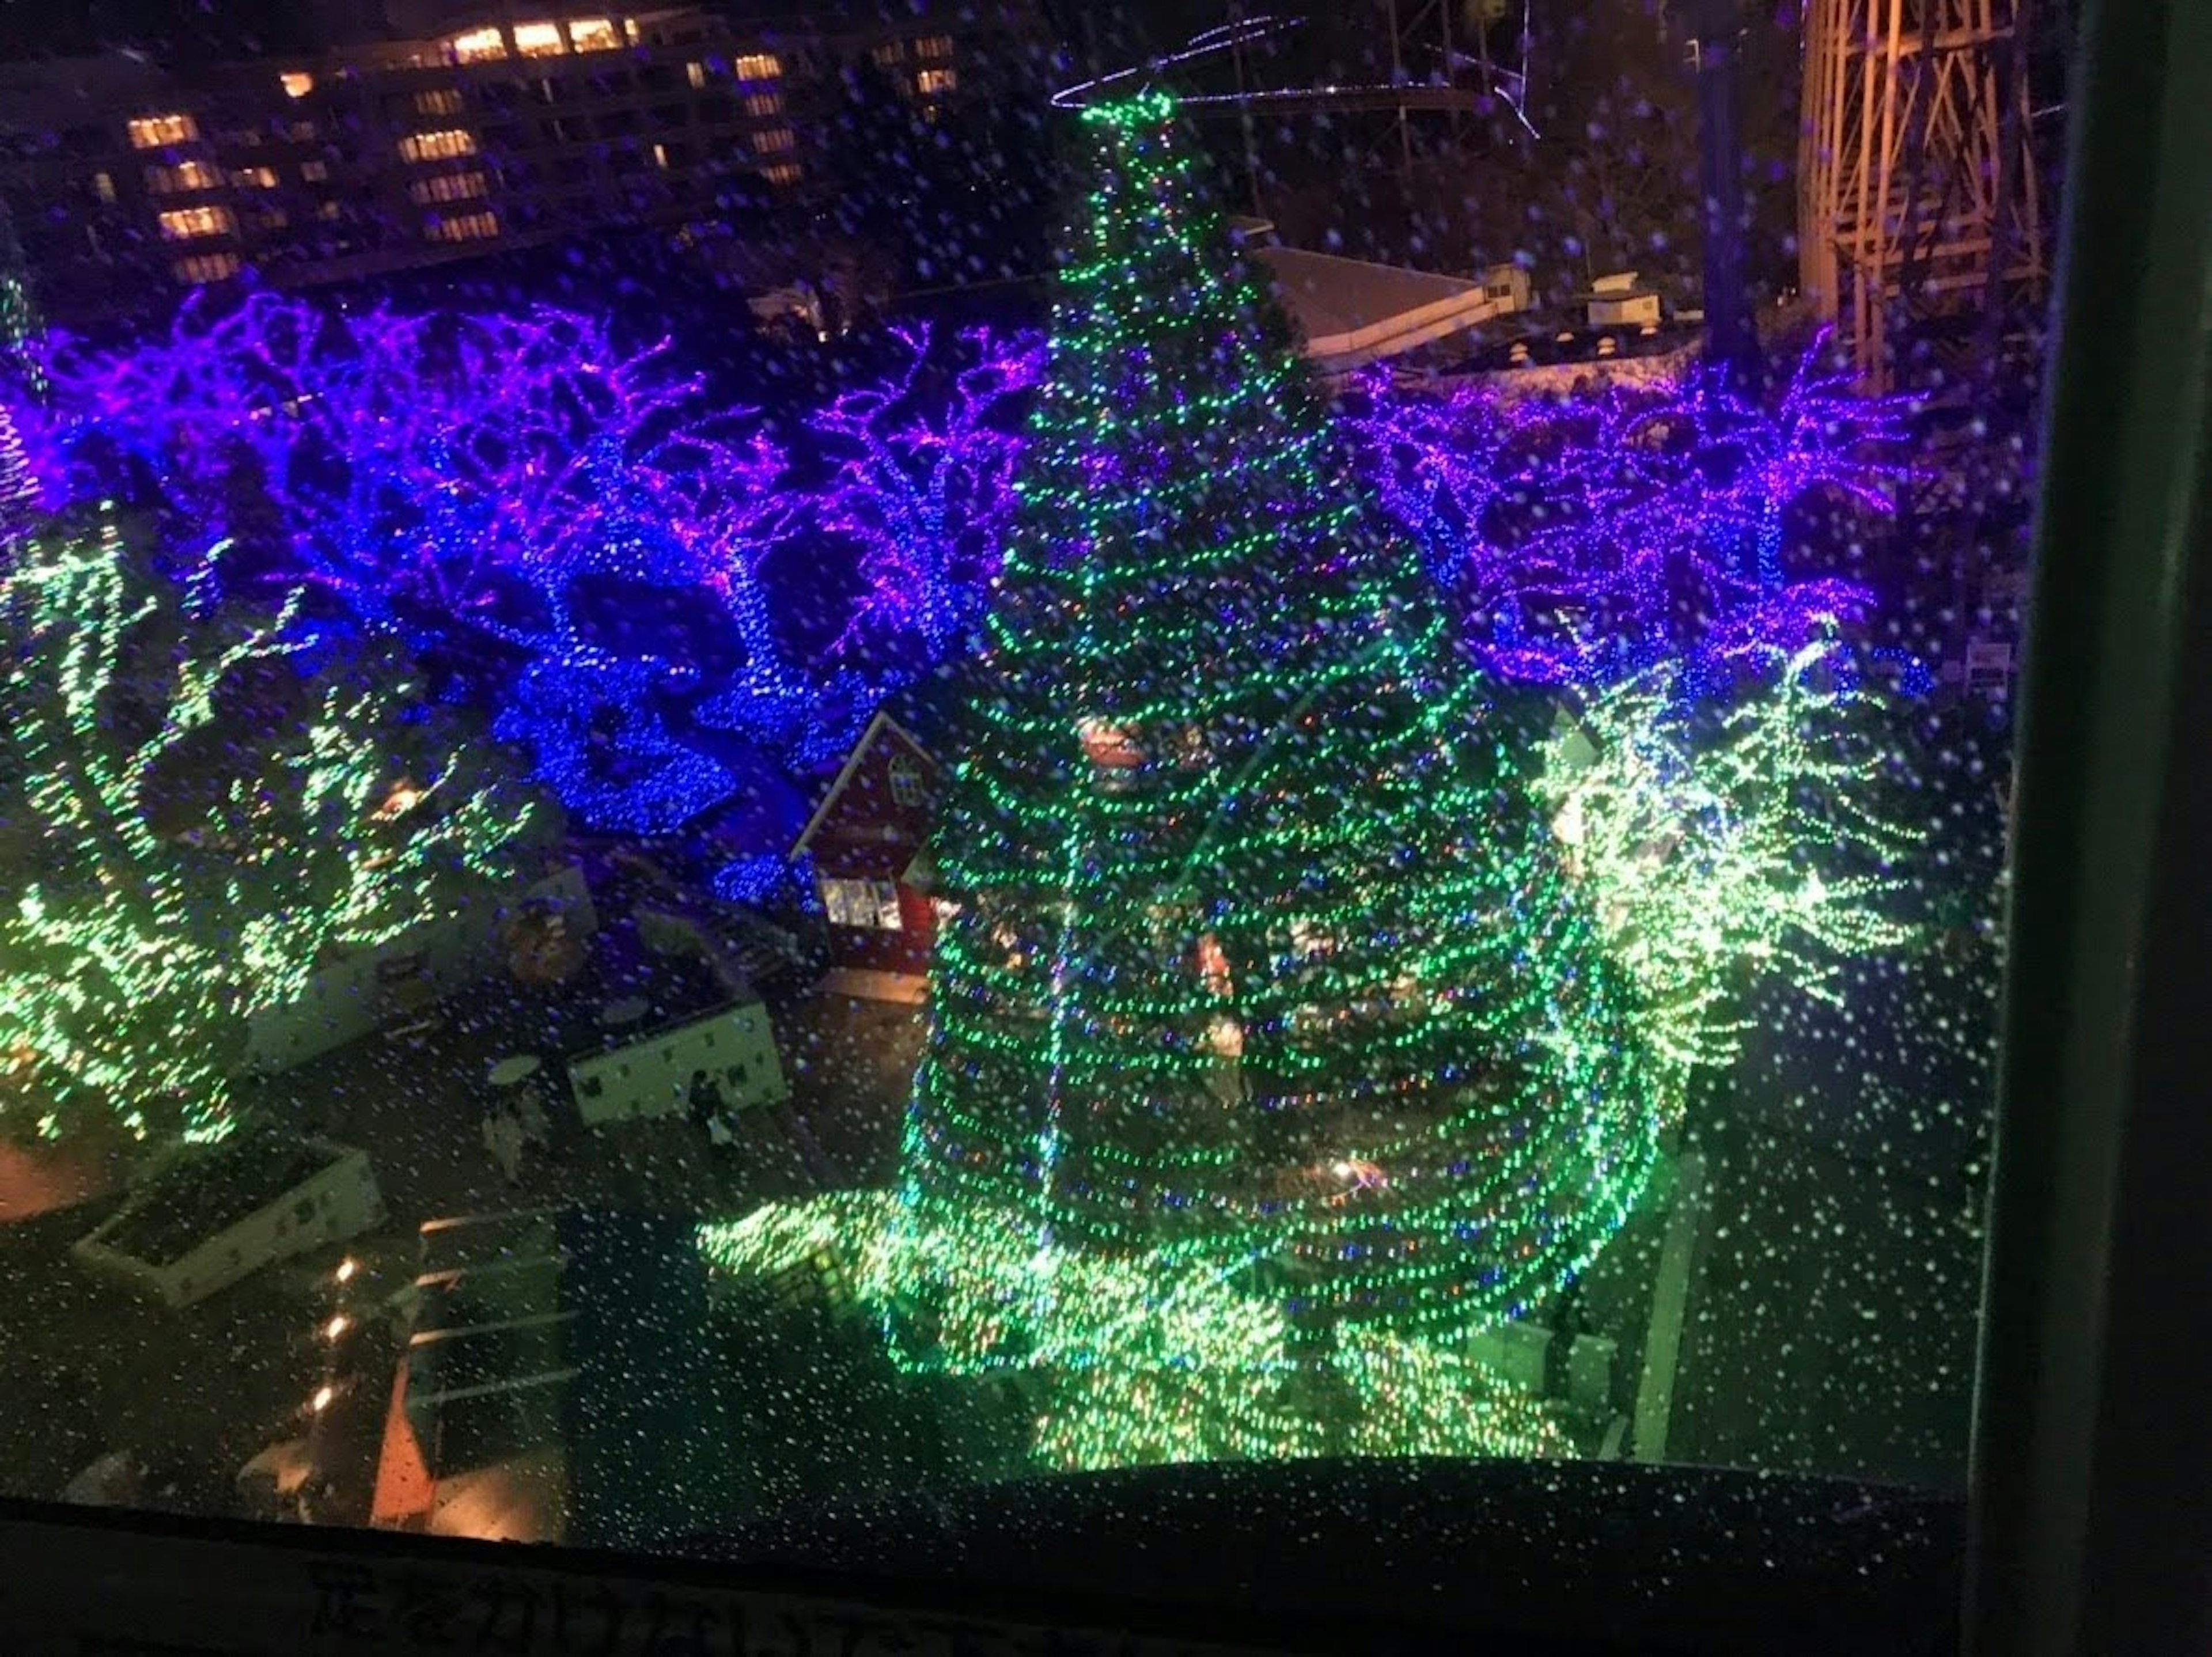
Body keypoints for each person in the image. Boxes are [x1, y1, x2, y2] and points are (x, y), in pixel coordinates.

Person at [482, 1104, 524, 1187]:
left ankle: (510, 1178)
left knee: (510, 1161)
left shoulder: (510, 1123)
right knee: (509, 1161)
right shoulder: (504, 1123)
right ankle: (510, 1178)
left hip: (508, 1145)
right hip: (505, 1146)